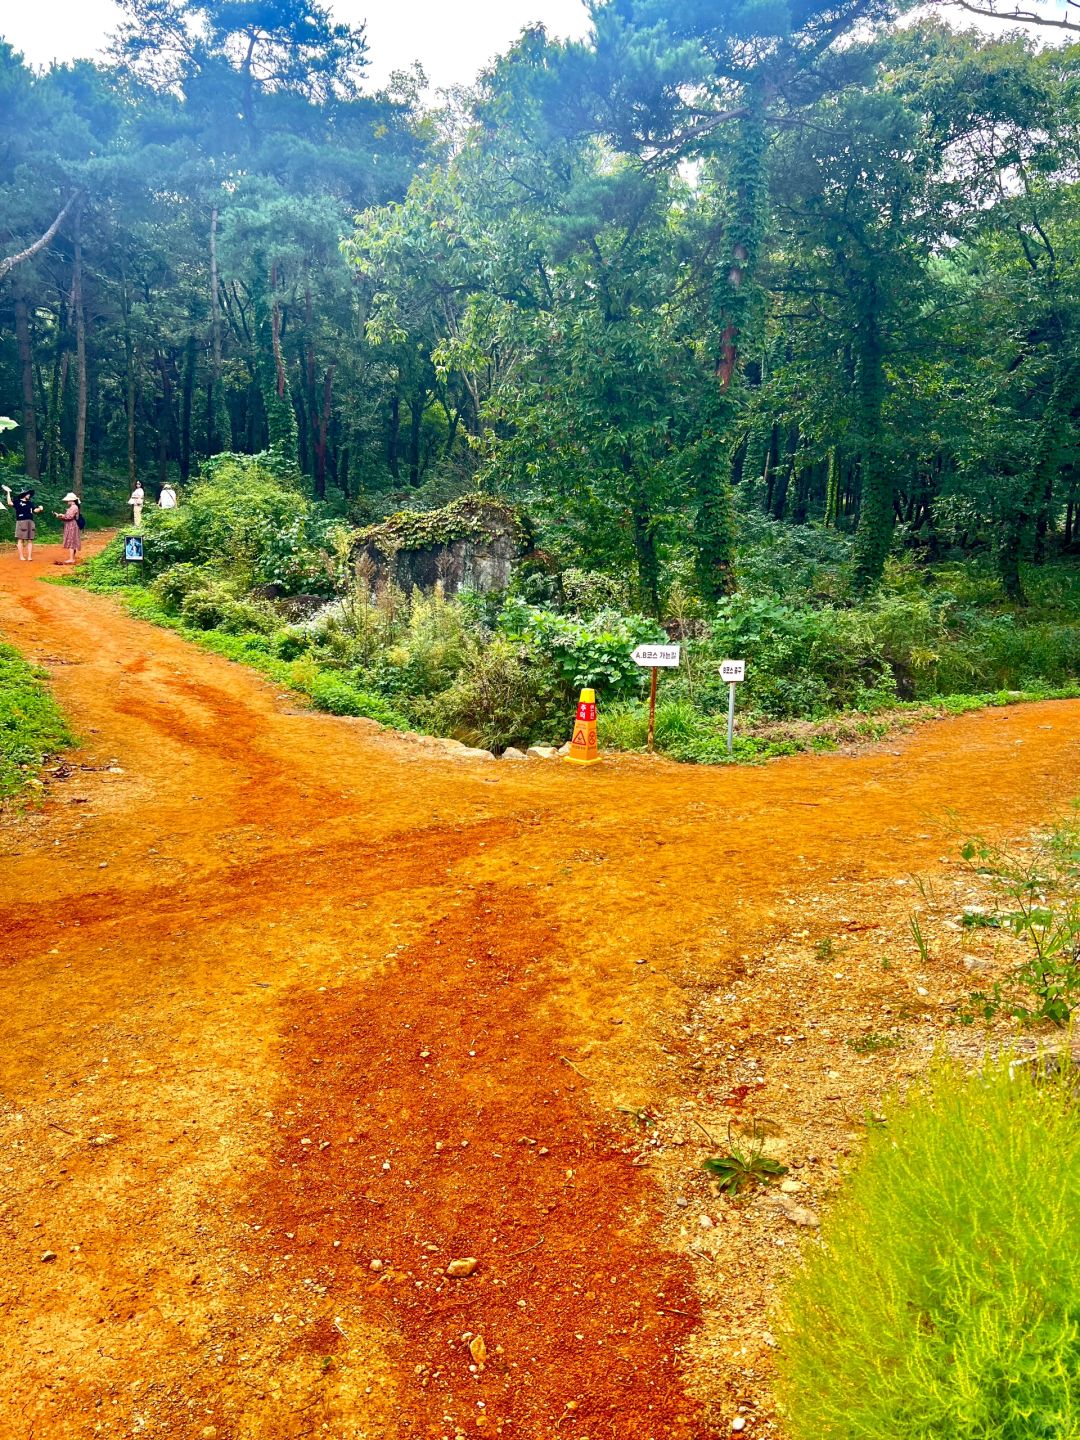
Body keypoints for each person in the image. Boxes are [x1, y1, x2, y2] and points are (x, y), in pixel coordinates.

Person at [2, 483, 45, 561]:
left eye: (29, 494)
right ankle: (21, 556)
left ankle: (29, 557)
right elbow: (9, 503)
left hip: (30, 522)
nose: (29, 495)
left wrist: (40, 508)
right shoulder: (17, 502)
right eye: (28, 494)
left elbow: (35, 510)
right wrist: (8, 492)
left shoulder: (30, 503)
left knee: (30, 540)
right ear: (24, 494)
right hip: (21, 522)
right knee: (20, 539)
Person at [54, 492, 83, 566]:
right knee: (72, 541)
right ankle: (72, 557)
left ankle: (71, 559)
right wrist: (61, 516)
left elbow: (69, 517)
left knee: (71, 542)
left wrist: (60, 516)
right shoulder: (74, 507)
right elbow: (68, 516)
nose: (67, 501)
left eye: (68, 500)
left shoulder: (73, 507)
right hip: (71, 525)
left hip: (72, 526)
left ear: (71, 500)